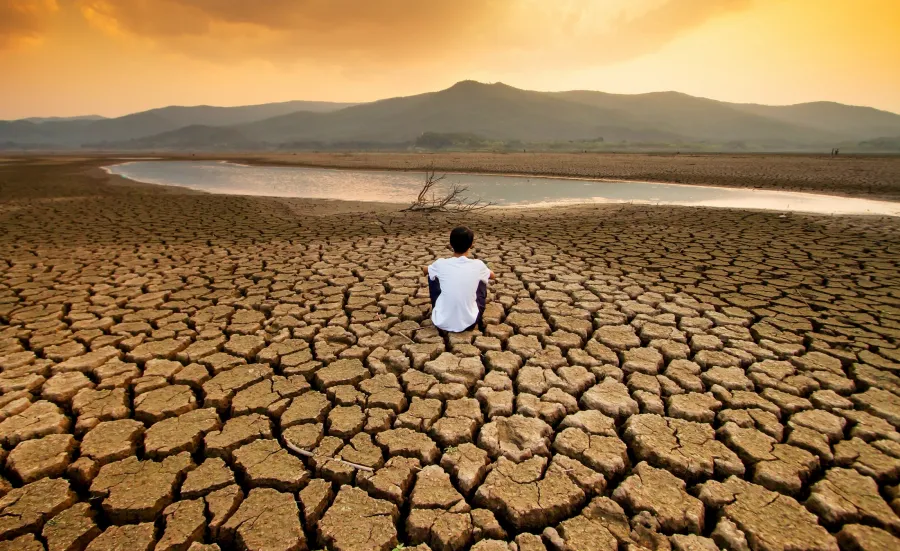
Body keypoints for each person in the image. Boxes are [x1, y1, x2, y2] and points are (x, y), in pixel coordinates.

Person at [423, 226, 495, 332]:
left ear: (451, 244)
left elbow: (425, 270)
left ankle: (440, 307)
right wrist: (484, 268)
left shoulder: (440, 264)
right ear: (471, 245)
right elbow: (492, 275)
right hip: (470, 322)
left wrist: (431, 269)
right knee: (482, 278)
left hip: (441, 321)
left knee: (432, 275)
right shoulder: (478, 265)